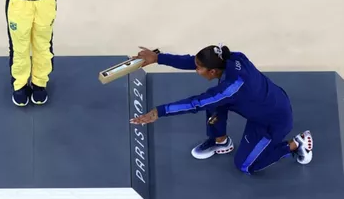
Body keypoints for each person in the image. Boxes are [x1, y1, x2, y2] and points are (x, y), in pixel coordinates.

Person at [129, 44, 314, 175]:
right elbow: (192, 61)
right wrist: (158, 58)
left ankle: (296, 144)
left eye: (198, 68)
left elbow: (196, 103)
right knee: (216, 103)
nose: (196, 70)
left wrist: (159, 112)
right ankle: (221, 141)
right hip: (269, 100)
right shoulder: (231, 58)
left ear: (212, 72)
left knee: (245, 166)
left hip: (273, 121)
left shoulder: (231, 88)